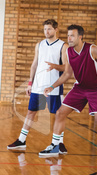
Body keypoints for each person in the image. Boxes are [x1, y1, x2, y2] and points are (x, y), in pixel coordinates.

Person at [39, 24, 97, 166]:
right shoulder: (68, 52)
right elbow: (67, 73)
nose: (69, 38)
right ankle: (55, 145)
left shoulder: (92, 49)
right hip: (80, 87)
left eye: (72, 35)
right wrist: (51, 86)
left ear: (80, 37)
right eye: (68, 35)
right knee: (60, 113)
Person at [7, 19, 68, 154]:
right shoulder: (39, 45)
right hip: (38, 85)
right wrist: (30, 83)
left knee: (59, 115)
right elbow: (34, 64)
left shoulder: (63, 46)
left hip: (54, 86)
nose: (47, 32)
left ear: (56, 29)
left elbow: (66, 67)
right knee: (31, 112)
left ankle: (59, 143)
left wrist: (55, 66)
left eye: (49, 29)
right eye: (45, 29)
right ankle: (21, 140)